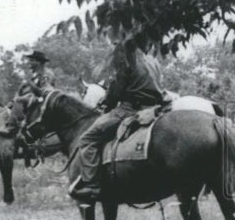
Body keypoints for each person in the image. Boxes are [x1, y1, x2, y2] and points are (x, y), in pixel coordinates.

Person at [70, 35, 166, 203]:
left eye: (116, 42)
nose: (114, 46)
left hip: (130, 109)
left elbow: (116, 91)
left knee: (87, 138)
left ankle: (92, 185)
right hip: (154, 109)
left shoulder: (126, 59)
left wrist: (106, 101)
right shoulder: (152, 60)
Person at [4, 50, 55, 136]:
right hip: (32, 98)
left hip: (43, 99)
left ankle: (12, 128)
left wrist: (31, 87)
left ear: (38, 62)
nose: (29, 63)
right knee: (11, 105)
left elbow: (46, 90)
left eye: (32, 61)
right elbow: (20, 90)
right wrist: (13, 101)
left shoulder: (47, 74)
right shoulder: (33, 75)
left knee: (19, 101)